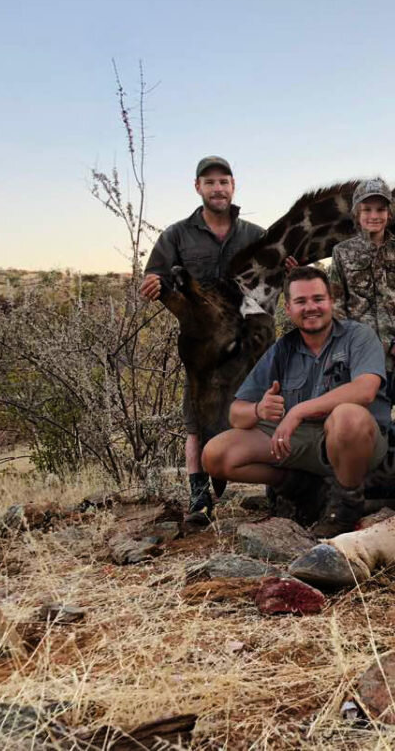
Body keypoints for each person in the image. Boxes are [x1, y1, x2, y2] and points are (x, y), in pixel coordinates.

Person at [201, 266, 390, 537]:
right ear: (288, 309)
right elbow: (236, 414)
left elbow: (365, 390)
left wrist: (297, 411)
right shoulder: (282, 349)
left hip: (354, 442)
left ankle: (346, 506)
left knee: (348, 416)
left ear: (331, 302)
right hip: (301, 442)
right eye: (301, 301)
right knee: (215, 455)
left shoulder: (358, 336)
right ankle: (299, 488)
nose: (310, 307)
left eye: (318, 299)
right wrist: (259, 409)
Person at [139, 156, 266, 523]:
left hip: (248, 345)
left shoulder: (254, 235)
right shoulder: (177, 235)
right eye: (209, 182)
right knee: (196, 418)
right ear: (198, 187)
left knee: (263, 408)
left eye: (223, 181)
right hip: (204, 347)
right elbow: (155, 277)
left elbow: (276, 273)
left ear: (233, 185)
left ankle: (276, 489)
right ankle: (199, 497)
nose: (217, 188)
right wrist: (151, 284)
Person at [328, 178, 395, 372]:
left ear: (389, 214)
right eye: (367, 209)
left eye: (381, 209)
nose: (374, 215)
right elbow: (336, 307)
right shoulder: (341, 252)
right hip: (360, 358)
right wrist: (351, 344)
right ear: (356, 214)